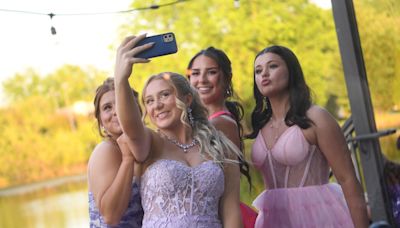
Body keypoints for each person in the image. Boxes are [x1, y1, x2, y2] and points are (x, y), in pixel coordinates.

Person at [113, 34, 244, 227]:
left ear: (188, 100)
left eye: (165, 95)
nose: (156, 105)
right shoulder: (149, 143)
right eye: (149, 101)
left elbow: (231, 211)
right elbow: (131, 126)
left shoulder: (219, 145)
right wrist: (121, 80)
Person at [247, 45, 369, 227]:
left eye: (272, 66)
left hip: (319, 218)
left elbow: (347, 179)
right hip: (273, 220)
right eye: (258, 70)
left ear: (291, 71)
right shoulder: (260, 124)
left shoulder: (316, 117)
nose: (264, 74)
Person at [187, 46, 257, 228]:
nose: (201, 79)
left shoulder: (221, 123)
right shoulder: (199, 122)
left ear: (226, 79)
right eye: (195, 73)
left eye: (211, 72)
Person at [87, 77, 143, 227]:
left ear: (136, 108)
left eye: (120, 103)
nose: (115, 112)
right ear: (101, 122)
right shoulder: (105, 152)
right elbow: (110, 217)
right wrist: (127, 159)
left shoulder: (147, 145)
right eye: (107, 108)